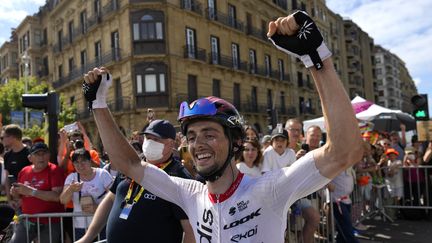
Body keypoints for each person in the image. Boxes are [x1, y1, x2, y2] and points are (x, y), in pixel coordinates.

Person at [82, 10, 363, 242]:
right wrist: (98, 105)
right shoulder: (190, 193)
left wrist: (316, 58)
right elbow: (127, 164)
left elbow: (344, 152)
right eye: (191, 136)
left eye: (209, 134)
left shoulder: (269, 190)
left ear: (236, 142)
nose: (198, 143)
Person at [76, 120, 195, 243]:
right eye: (147, 138)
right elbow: (110, 199)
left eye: (156, 139)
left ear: (170, 144)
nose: (149, 142)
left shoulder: (179, 176)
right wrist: (87, 238)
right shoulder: (131, 164)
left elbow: (190, 229)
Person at [9, 143, 65, 243]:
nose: (41, 157)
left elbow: (57, 196)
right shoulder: (24, 171)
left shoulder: (55, 170)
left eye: (44, 153)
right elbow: (20, 196)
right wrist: (15, 193)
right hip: (28, 221)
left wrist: (31, 191)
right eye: (37, 154)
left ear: (49, 155)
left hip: (50, 221)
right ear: (30, 158)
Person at [60, 148, 113, 241]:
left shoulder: (102, 174)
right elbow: (63, 200)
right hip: (80, 226)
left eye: (83, 161)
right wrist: (71, 189)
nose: (80, 165)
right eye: (76, 162)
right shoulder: (71, 178)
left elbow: (114, 197)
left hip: (102, 223)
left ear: (90, 161)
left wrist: (97, 208)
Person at [2, 124, 31, 210]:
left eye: (2, 138)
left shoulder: (30, 153)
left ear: (12, 137)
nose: (1, 140)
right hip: (15, 202)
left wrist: (24, 199)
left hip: (30, 199)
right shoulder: (7, 155)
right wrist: (9, 200)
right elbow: (7, 178)